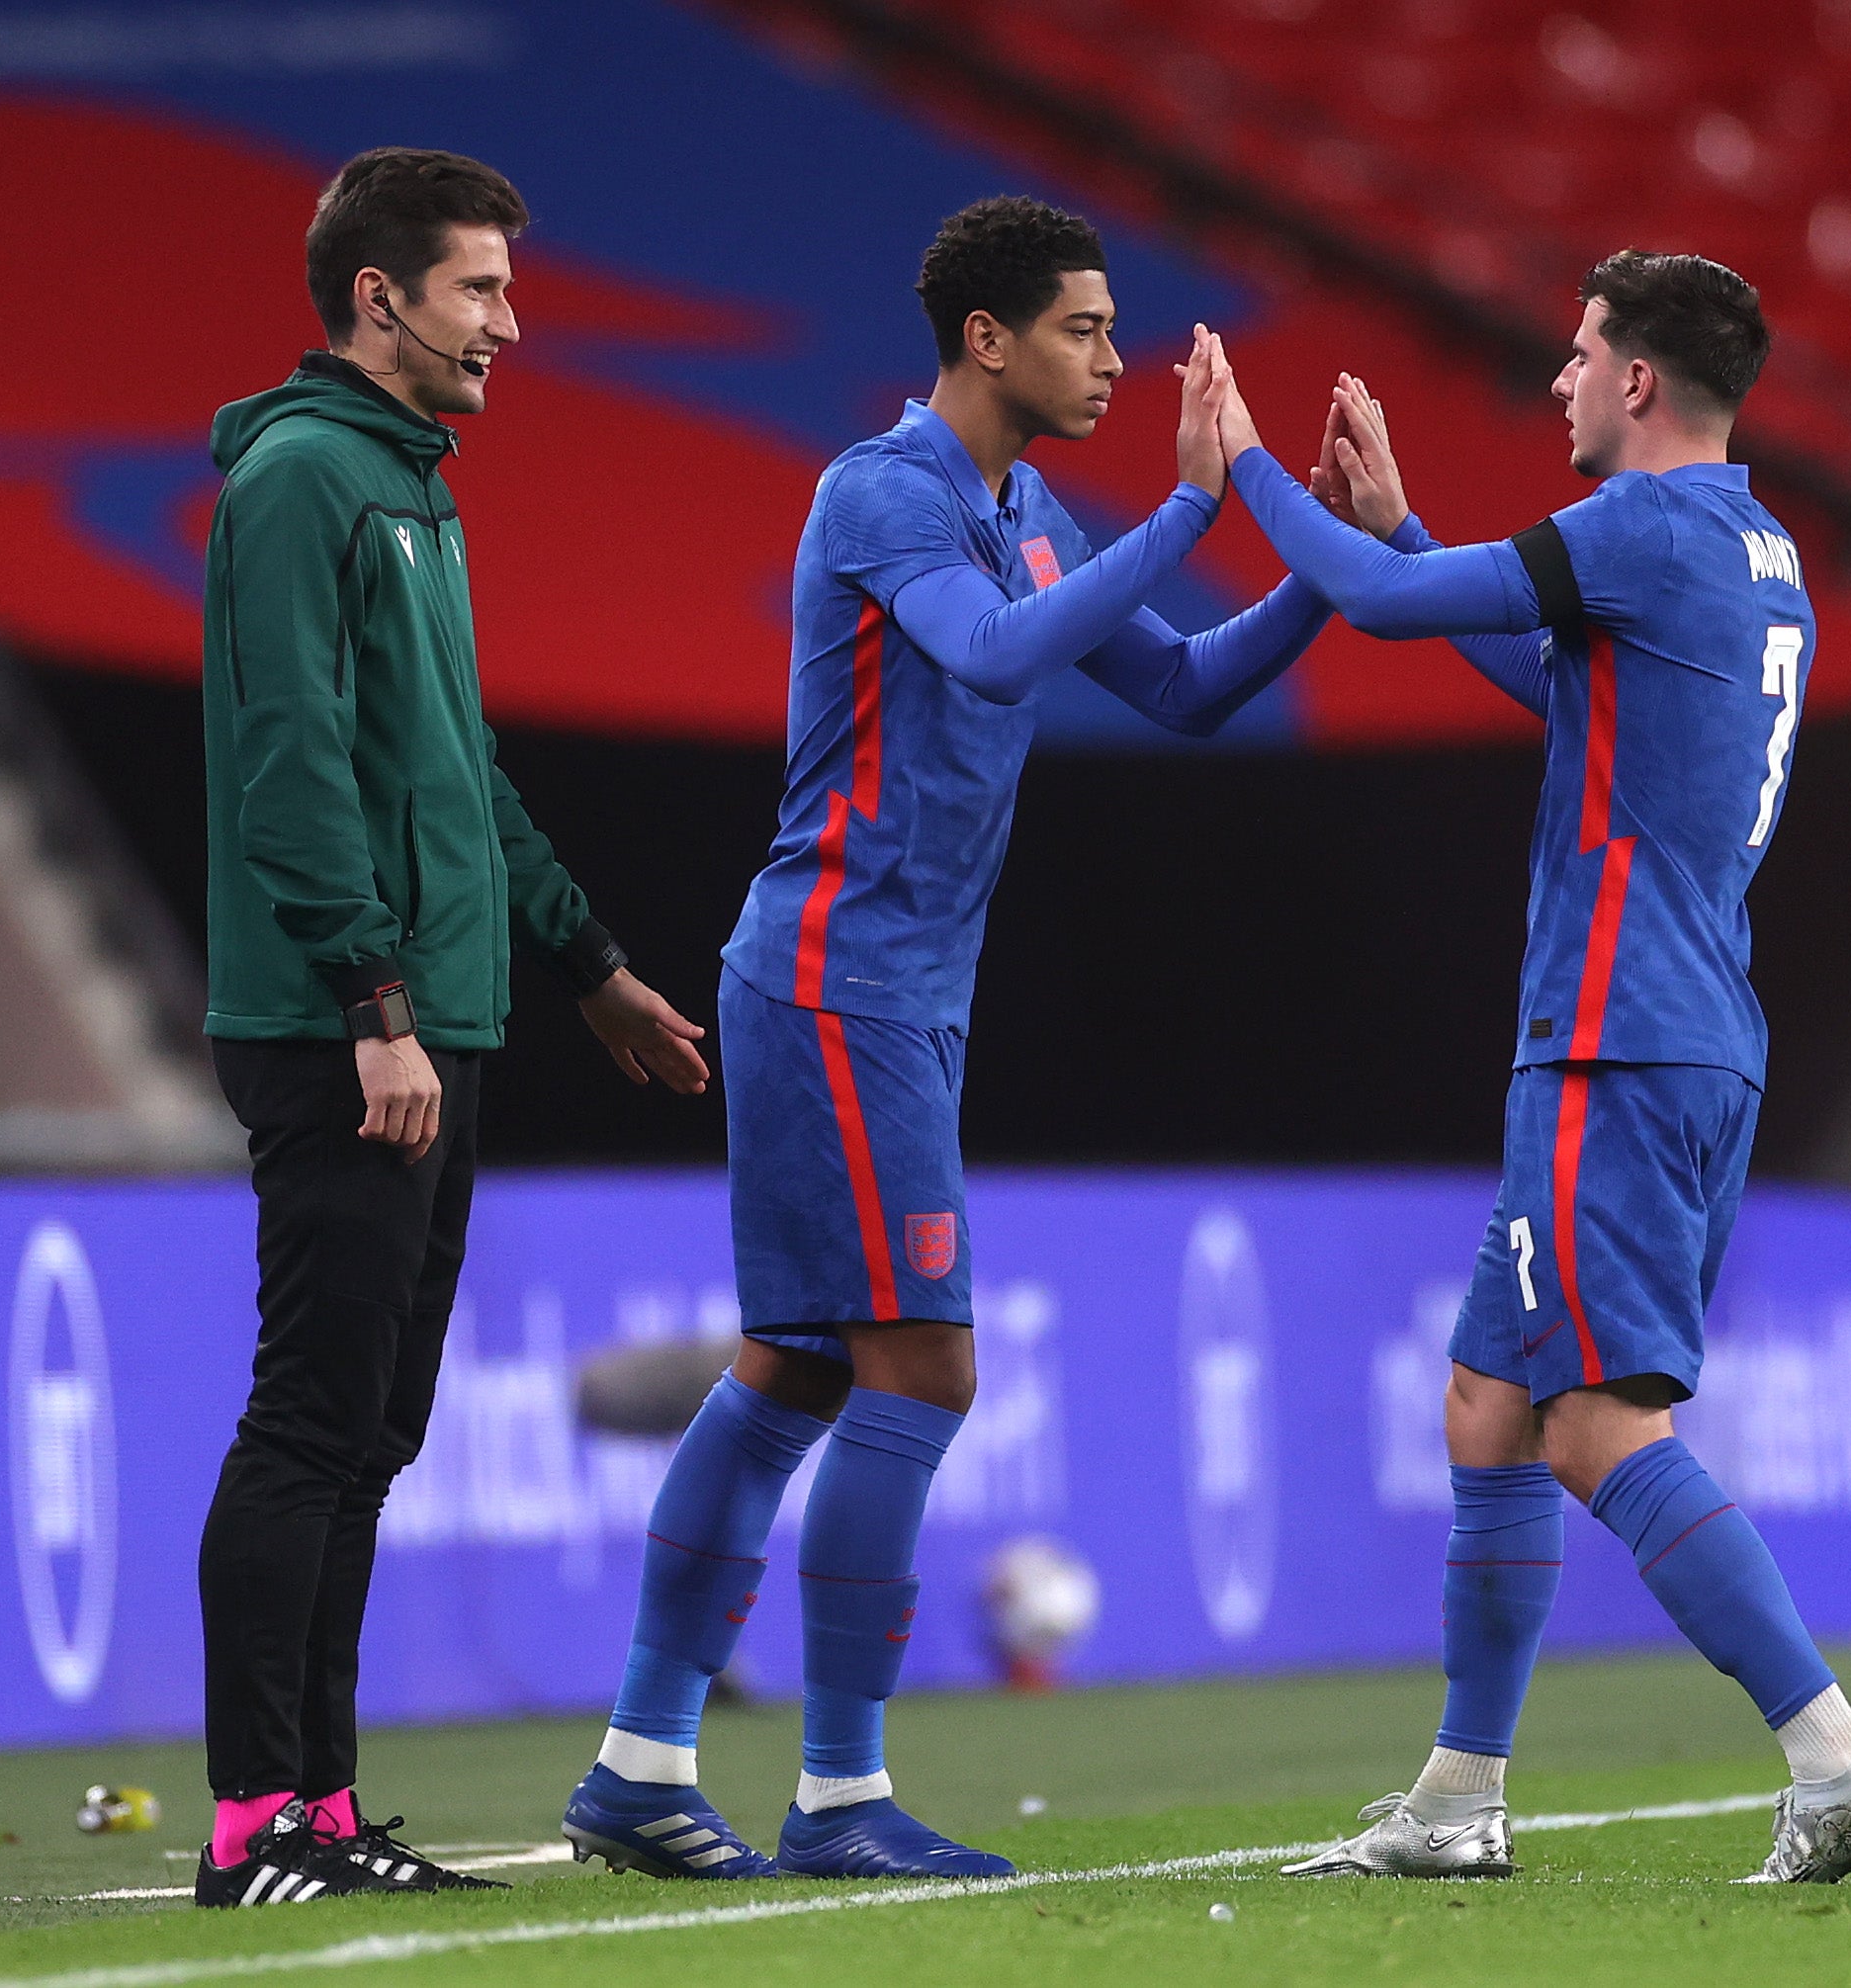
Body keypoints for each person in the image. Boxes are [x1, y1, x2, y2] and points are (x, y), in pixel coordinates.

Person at [561, 196, 1335, 1881]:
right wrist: (1197, 504)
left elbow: (1188, 689)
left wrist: (1318, 562)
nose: (1118, 357)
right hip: (839, 979)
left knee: (792, 1372)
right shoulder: (884, 488)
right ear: (987, 340)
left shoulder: (1029, 507)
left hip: (890, 992)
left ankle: (637, 1764)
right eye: (1085, 328)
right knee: (924, 1366)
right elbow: (987, 652)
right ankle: (838, 1796)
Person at [1220, 252, 1851, 1885]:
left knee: (1596, 1423)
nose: (1557, 378)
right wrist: (1397, 526)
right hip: (1677, 1031)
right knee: (1490, 1404)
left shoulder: (1648, 527)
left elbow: (1395, 614)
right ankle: (1460, 1800)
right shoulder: (1757, 546)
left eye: (1578, 351)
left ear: (1636, 383)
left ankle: (1835, 1759)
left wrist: (1246, 463)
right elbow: (1562, 696)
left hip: (1617, 1035)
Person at [196, 147, 711, 1909]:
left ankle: (319, 1816)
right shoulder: (302, 484)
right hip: (349, 1031)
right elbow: (294, 764)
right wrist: (373, 1004)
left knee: (371, 1433)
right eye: (481, 288)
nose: (509, 320)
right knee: (309, 1422)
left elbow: (457, 776)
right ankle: (259, 1817)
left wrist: (588, 965)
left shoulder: (413, 493)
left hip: (440, 1019)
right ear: (380, 299)